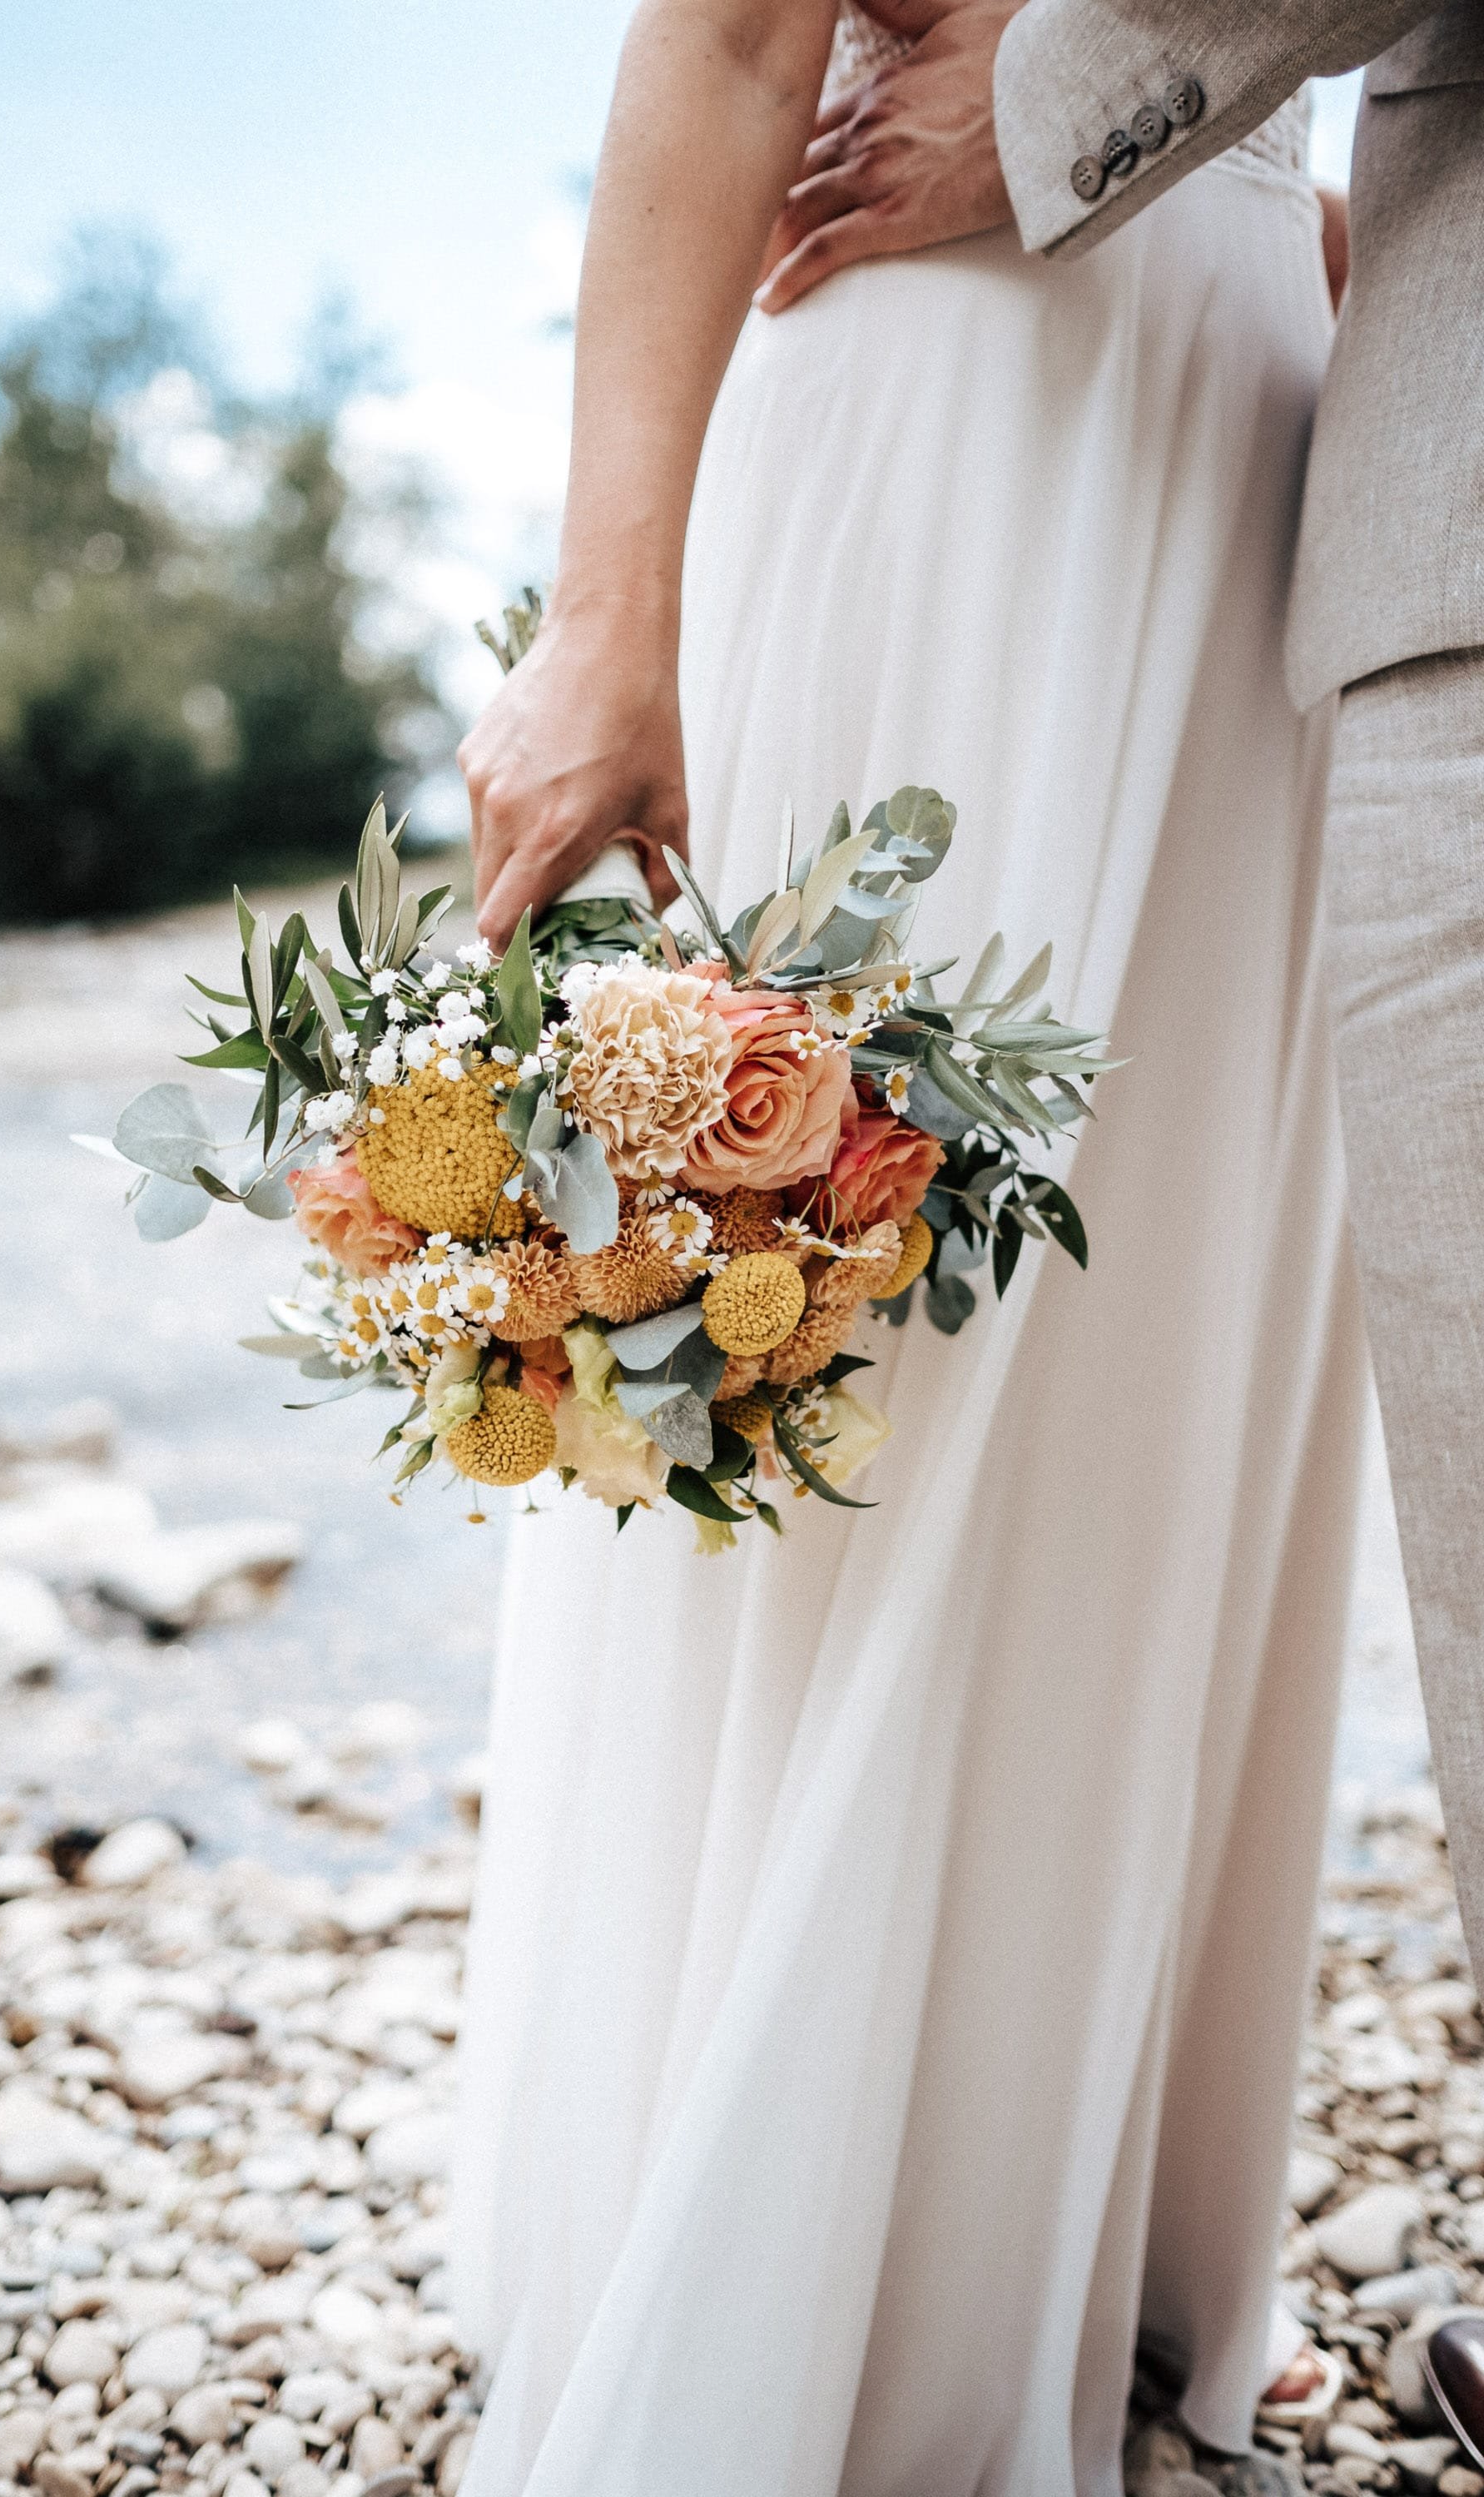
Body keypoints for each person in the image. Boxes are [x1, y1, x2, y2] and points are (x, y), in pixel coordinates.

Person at [451, 0, 1367, 2482]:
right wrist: (602, 613)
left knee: (1167, 1319)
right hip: (960, 385)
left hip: (1261, 398)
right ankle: (770, 2223)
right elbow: (740, 24)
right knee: (858, 1302)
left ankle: (1100, 2230)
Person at [754, 0, 1484, 2455]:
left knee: (1203, 1381)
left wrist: (1086, 97)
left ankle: (1100, 2226)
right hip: (1152, 386)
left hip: (1243, 354)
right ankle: (939, 2210)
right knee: (963, 1307)